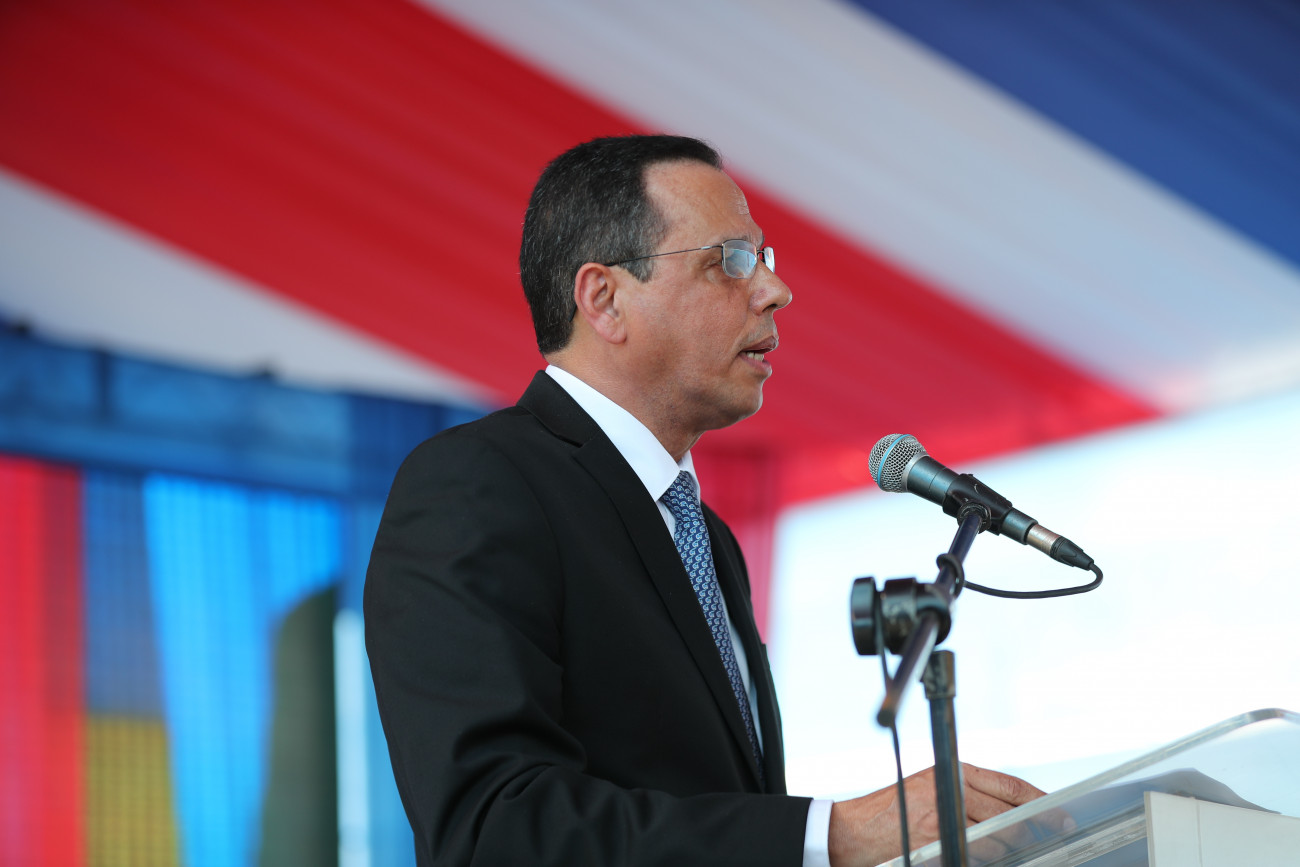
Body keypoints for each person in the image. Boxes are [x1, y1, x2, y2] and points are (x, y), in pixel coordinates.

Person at [364, 134, 1043, 867]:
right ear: (605, 300)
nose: (775, 290)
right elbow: (492, 829)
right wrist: (832, 834)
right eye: (732, 260)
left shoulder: (704, 535)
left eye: (764, 258)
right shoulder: (476, 482)